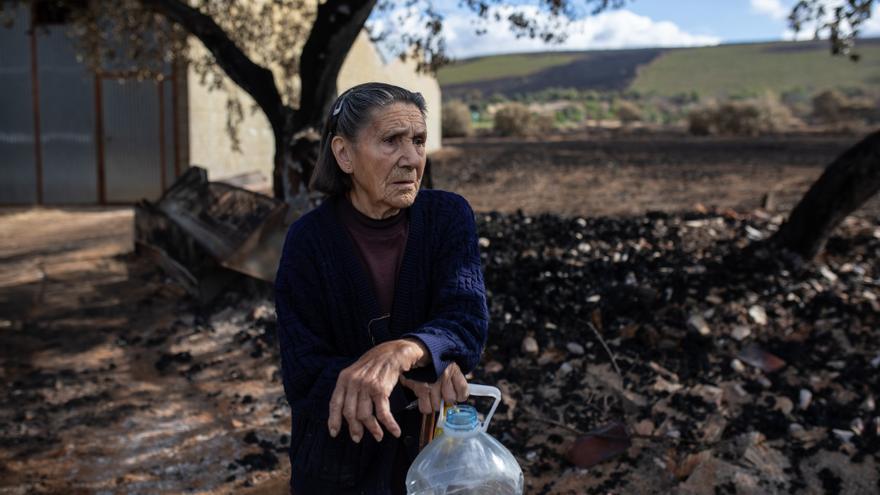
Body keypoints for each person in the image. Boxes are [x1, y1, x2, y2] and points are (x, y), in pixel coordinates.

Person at [274, 82, 489, 494]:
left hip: (433, 458)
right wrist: (408, 377)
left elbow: (465, 321)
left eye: (419, 141)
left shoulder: (448, 216)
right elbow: (303, 370)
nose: (412, 159)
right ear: (344, 154)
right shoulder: (308, 240)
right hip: (337, 464)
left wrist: (400, 352)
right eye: (391, 141)